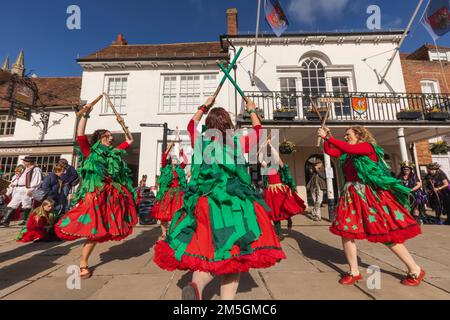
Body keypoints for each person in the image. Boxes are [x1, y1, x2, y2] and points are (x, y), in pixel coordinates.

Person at [154, 97, 286, 300]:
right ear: (227, 123)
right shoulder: (238, 141)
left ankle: (196, 287)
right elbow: (259, 132)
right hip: (232, 203)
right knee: (234, 255)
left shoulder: (200, 141)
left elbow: (192, 124)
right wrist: (251, 110)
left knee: (208, 252)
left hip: (204, 202)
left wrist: (204, 105)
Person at [318, 126, 424, 286]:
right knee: (346, 232)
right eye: (345, 135)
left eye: (348, 134)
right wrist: (327, 138)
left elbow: (344, 147)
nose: (346, 137)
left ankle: (415, 269)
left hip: (368, 196)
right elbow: (331, 152)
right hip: (351, 195)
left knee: (385, 234)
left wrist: (327, 137)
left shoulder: (367, 147)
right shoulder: (348, 154)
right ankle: (354, 271)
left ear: (359, 135)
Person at [54, 104, 137, 279]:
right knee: (94, 229)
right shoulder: (89, 151)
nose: (111, 138)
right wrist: (87, 114)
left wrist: (124, 125)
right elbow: (80, 135)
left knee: (103, 229)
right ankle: (83, 263)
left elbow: (130, 141)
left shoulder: (114, 153)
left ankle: (84, 260)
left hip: (110, 196)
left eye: (111, 136)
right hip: (94, 196)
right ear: (99, 138)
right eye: (107, 136)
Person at [260, 140, 306, 240]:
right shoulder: (267, 167)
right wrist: (263, 147)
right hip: (271, 192)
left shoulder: (280, 166)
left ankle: (289, 219)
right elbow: (260, 160)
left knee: (285, 208)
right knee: (274, 212)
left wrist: (271, 145)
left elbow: (277, 157)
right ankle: (279, 234)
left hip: (280, 190)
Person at [152, 143, 188, 240]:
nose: (175, 159)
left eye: (176, 158)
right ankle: (164, 233)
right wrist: (169, 148)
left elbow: (186, 160)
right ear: (170, 160)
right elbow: (163, 158)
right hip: (167, 194)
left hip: (178, 194)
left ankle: (175, 232)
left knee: (177, 214)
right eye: (173, 158)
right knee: (164, 214)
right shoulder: (165, 167)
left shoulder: (180, 169)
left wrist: (182, 152)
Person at [0, 157, 42, 227]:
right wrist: (14, 184)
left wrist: (31, 189)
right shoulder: (25, 169)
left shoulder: (36, 169)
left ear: (29, 162)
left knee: (26, 205)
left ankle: (26, 221)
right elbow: (19, 178)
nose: (23, 162)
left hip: (26, 189)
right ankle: (5, 221)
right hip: (19, 188)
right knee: (12, 204)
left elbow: (37, 181)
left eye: (25, 161)